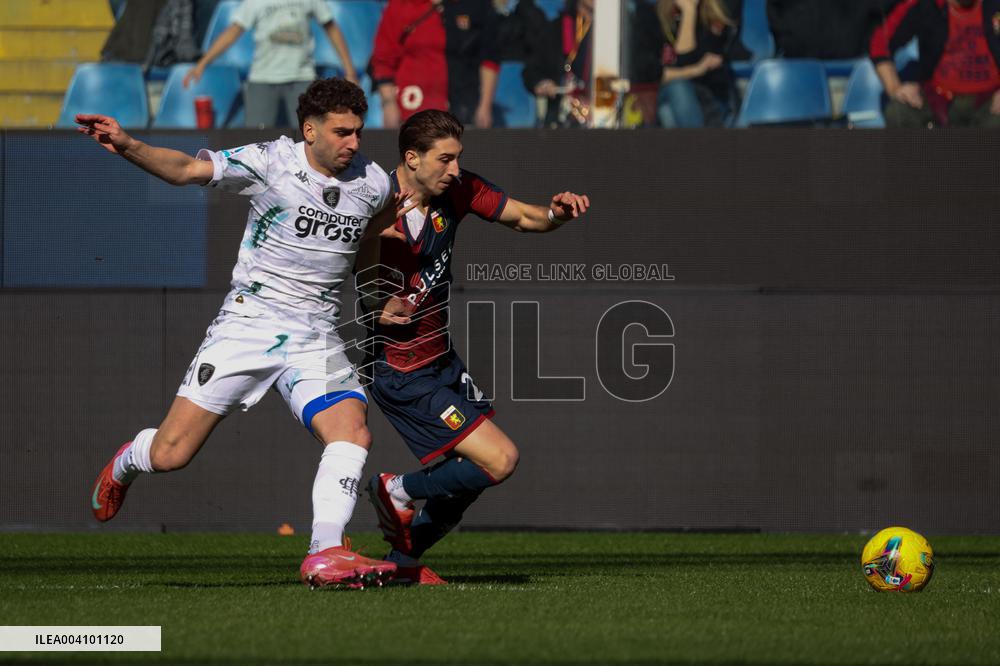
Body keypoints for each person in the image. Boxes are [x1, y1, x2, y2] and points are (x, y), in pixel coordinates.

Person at [82, 78, 405, 590]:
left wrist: (372, 297)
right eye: (342, 132)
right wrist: (128, 145)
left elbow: (371, 237)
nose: (353, 143)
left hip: (315, 335)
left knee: (352, 431)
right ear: (310, 129)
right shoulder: (270, 162)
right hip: (249, 326)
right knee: (172, 455)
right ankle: (130, 458)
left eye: (358, 132)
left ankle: (325, 551)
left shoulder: (375, 184)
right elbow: (188, 168)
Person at [361, 109, 589, 585]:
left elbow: (527, 218)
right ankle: (396, 489)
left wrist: (556, 214)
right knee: (499, 458)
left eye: (458, 158)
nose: (455, 170)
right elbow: (331, 268)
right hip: (400, 369)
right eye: (445, 160)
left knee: (469, 475)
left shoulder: (457, 191)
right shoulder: (371, 204)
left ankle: (401, 562)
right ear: (412, 158)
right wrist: (373, 302)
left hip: (442, 360)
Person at [184, 0, 359, 128]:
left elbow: (331, 28)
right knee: (255, 140)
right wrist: (203, 63)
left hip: (302, 78)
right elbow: (233, 31)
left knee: (308, 136)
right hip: (262, 79)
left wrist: (349, 70)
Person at [370, 0, 502, 129]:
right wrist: (388, 104)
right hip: (412, 107)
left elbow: (489, 58)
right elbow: (384, 58)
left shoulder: (477, 4)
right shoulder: (402, 4)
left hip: (462, 106)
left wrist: (485, 105)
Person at [871, 0, 1000, 128]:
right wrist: (895, 88)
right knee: (898, 112)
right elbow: (880, 41)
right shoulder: (925, 5)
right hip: (937, 99)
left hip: (990, 100)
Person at [656, 0, 740, 128]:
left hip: (710, 95)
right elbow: (652, 73)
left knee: (670, 106)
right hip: (669, 93)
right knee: (674, 92)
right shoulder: (655, 16)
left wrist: (689, 11)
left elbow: (683, 62)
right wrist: (696, 69)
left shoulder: (716, 13)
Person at [521, 0, 594, 127]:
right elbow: (531, 71)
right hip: (564, 119)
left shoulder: (621, 30)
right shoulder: (558, 28)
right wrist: (542, 82)